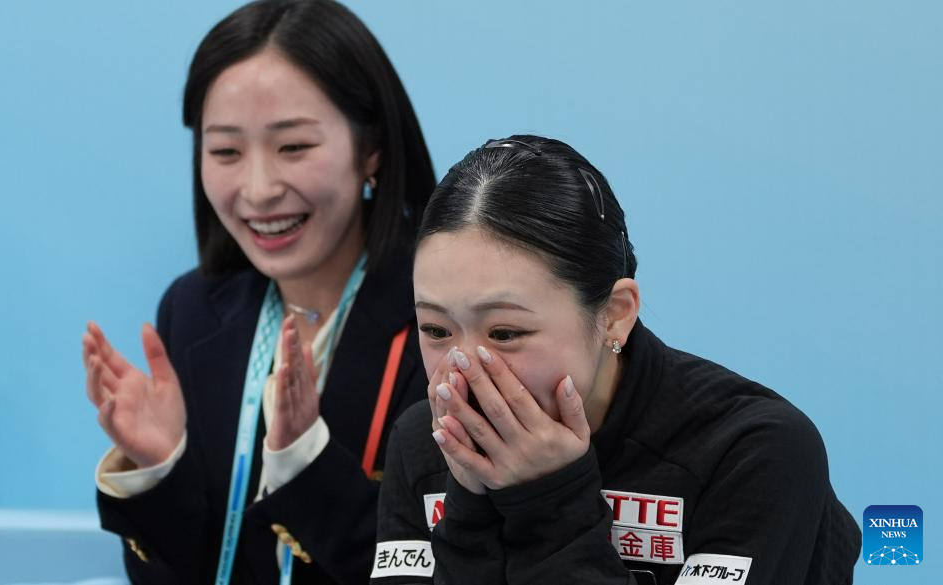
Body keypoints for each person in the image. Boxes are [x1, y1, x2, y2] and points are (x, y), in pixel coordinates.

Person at [373, 135, 861, 584]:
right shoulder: (425, 446)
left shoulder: (753, 451)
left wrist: (550, 501)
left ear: (615, 314)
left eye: (505, 333)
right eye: (436, 330)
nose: (463, 370)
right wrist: (469, 508)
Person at [81, 1, 436, 583]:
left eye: (292, 147)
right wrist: (160, 468)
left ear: (370, 148)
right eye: (225, 151)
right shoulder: (193, 313)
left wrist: (305, 463)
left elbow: (439, 567)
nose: (259, 189)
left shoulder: (441, 325)